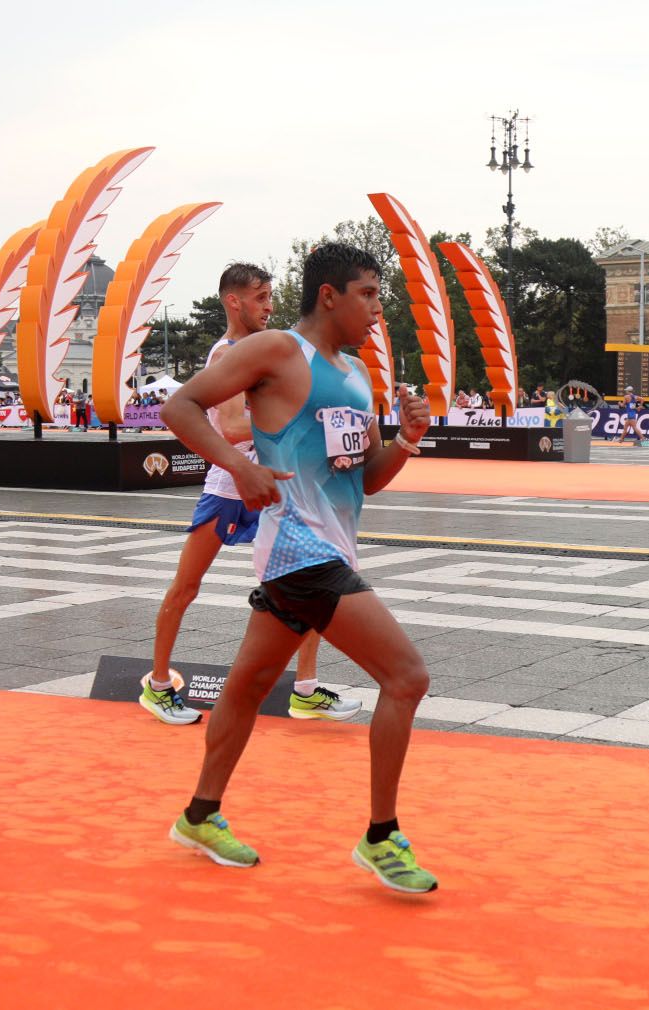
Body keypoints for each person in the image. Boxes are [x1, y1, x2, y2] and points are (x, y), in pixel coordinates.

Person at [161, 243, 438, 892]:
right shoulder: (279, 351)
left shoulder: (358, 376)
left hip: (328, 551)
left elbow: (365, 479)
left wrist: (406, 439)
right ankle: (381, 836)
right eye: (368, 294)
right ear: (329, 296)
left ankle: (200, 814)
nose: (377, 309)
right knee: (407, 677)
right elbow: (181, 408)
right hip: (298, 552)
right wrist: (240, 467)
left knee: (249, 684)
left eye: (380, 296)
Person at [140, 263, 356, 728]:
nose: (269, 306)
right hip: (228, 487)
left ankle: (304, 689)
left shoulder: (265, 350)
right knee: (186, 587)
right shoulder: (227, 355)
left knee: (314, 581)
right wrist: (287, 416)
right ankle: (157, 685)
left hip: (271, 486)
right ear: (233, 301)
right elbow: (234, 427)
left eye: (271, 297)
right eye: (260, 297)